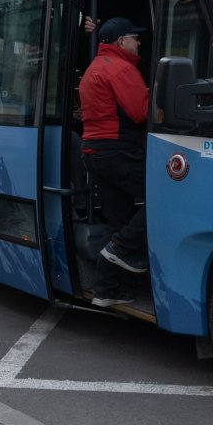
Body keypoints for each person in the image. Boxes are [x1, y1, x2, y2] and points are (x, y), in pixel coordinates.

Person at [78, 17, 149, 307]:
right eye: (135, 37)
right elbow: (140, 113)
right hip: (119, 151)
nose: (139, 42)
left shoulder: (95, 67)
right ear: (121, 41)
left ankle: (105, 291)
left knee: (116, 218)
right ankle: (122, 247)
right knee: (165, 196)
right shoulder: (121, 68)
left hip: (94, 152)